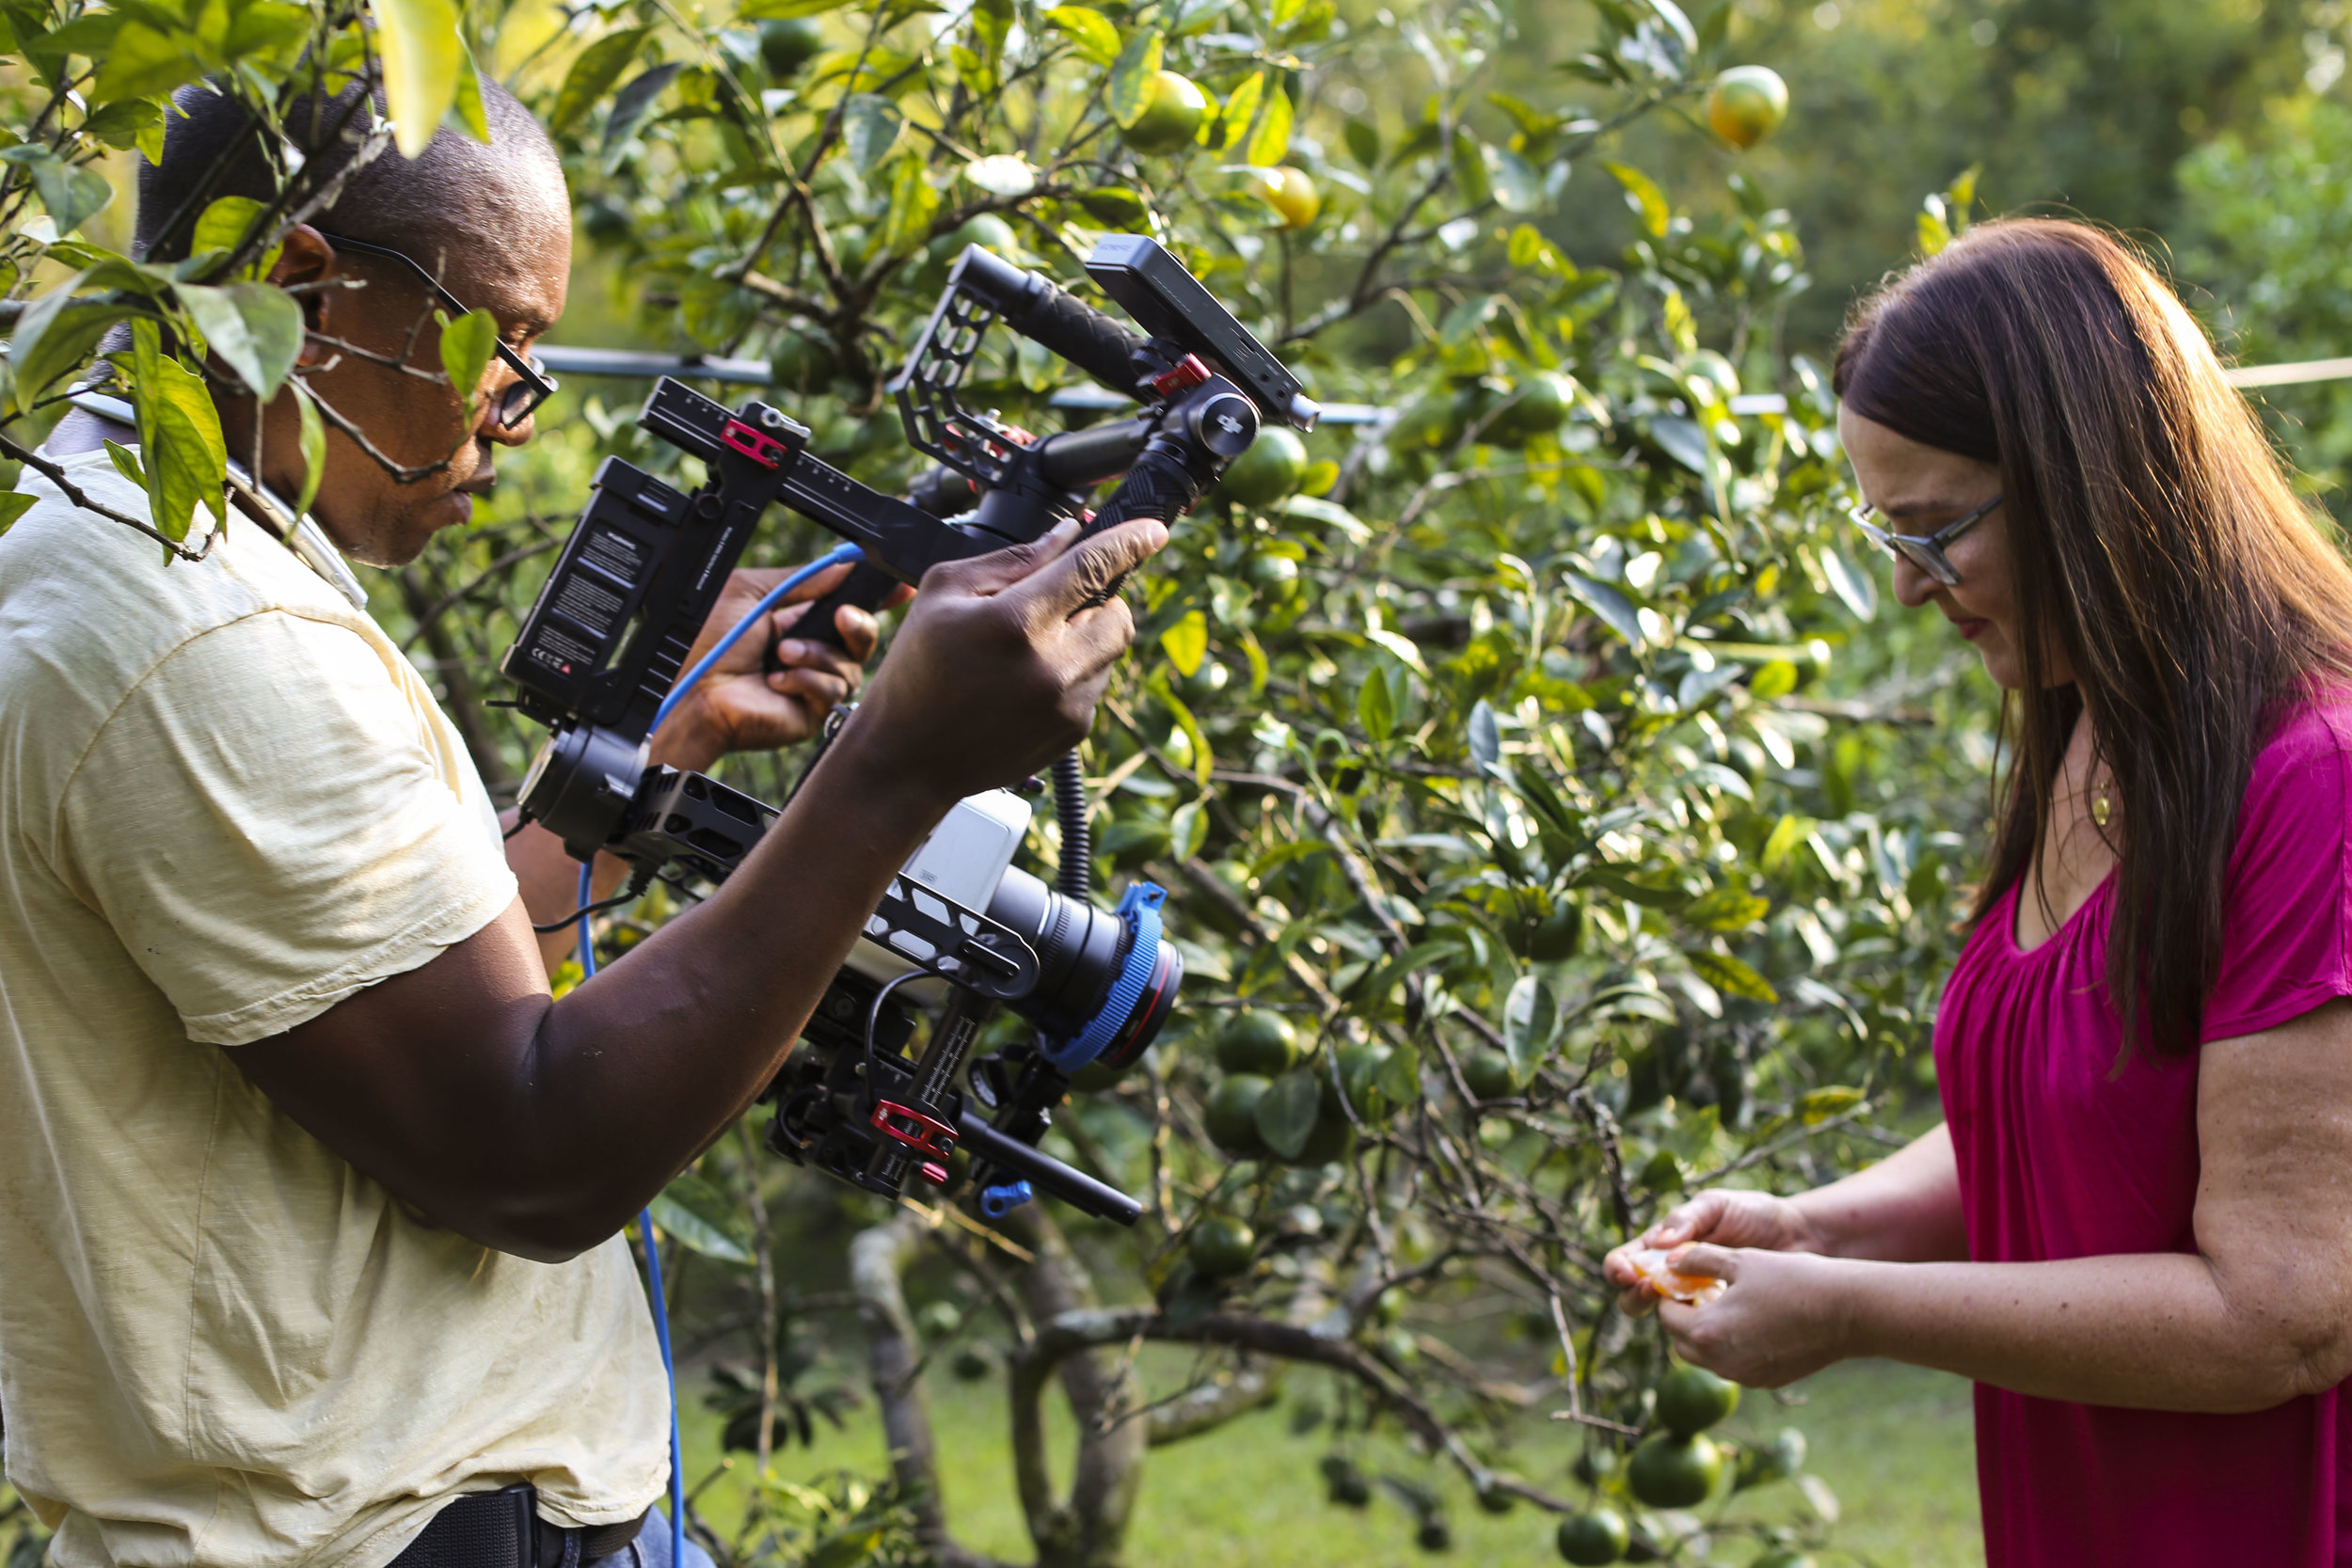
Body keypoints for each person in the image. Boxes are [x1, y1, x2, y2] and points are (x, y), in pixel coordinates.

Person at [0, 76, 1165, 1568]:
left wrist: (660, 754)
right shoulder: (198, 635)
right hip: (393, 1531)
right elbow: (533, 1150)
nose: (518, 411)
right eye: (506, 341)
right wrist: (892, 769)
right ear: (305, 290)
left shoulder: (147, 542)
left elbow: (389, 997)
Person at [1603, 216, 2352, 1567]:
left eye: (1937, 530)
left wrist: (1849, 1312)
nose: (1907, 586)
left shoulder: (2314, 782)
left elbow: (2282, 1316)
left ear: (2093, 480)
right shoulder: (2092, 738)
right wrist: (1827, 1228)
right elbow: (2097, 1110)